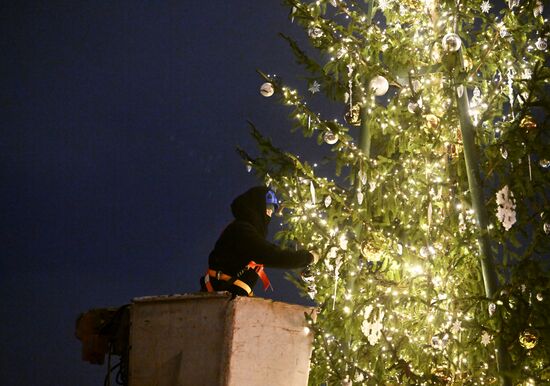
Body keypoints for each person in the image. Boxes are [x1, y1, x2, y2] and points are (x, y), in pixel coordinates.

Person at [200, 186, 317, 297]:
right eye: (268, 208)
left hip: (229, 299)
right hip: (218, 300)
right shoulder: (241, 230)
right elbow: (272, 255)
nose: (270, 213)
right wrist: (309, 257)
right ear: (257, 207)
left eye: (272, 210)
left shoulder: (245, 230)